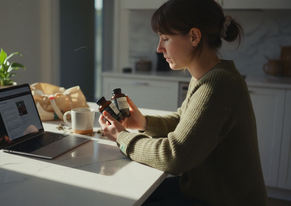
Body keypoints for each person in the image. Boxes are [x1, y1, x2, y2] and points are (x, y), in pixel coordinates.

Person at [98, 0, 268, 205]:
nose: (159, 48)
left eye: (165, 38)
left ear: (194, 37)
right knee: (128, 191)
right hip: (201, 190)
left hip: (223, 200)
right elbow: (184, 120)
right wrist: (143, 123)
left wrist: (122, 138)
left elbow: (174, 156)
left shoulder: (219, 83)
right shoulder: (206, 75)